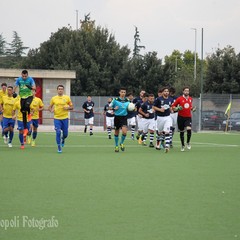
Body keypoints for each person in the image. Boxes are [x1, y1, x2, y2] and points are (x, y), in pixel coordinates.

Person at [48, 85, 74, 153]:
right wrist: (51, 110)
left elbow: (72, 107)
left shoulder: (67, 98)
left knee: (65, 134)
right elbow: (49, 107)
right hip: (57, 118)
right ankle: (59, 147)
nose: (60, 90)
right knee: (58, 132)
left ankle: (63, 138)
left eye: (61, 89)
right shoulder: (54, 98)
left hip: (65, 118)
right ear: (57, 90)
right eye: (59, 89)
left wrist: (67, 108)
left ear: (63, 90)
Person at [171, 86, 196, 152]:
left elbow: (190, 107)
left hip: (188, 117)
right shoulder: (179, 99)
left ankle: (188, 142)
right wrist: (177, 108)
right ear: (183, 91)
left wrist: (193, 109)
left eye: (188, 91)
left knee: (189, 129)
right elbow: (173, 106)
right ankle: (182, 145)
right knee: (182, 132)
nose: (186, 92)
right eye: (185, 91)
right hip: (180, 117)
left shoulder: (190, 99)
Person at [13, 70, 36, 138]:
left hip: (29, 96)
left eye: (25, 76)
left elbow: (34, 88)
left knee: (27, 106)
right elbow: (15, 86)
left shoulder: (30, 79)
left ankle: (29, 117)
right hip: (21, 97)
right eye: (23, 76)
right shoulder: (19, 79)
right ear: (21, 75)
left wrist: (30, 87)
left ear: (27, 75)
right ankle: (26, 129)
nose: (24, 77)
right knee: (23, 110)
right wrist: (14, 92)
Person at [153, 87, 174, 153]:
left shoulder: (171, 99)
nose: (166, 92)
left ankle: (167, 146)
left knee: (167, 131)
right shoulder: (158, 99)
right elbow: (153, 107)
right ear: (162, 92)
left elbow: (171, 107)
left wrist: (172, 110)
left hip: (167, 117)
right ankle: (158, 143)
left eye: (167, 91)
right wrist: (160, 109)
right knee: (160, 133)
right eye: (165, 91)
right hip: (159, 118)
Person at [109, 87, 130, 152]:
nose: (123, 93)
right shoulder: (115, 100)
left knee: (124, 132)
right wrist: (114, 109)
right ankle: (116, 146)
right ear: (119, 92)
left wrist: (132, 108)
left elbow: (130, 107)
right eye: (122, 92)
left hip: (124, 117)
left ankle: (121, 143)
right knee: (116, 132)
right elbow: (109, 107)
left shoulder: (128, 100)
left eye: (124, 92)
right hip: (117, 117)